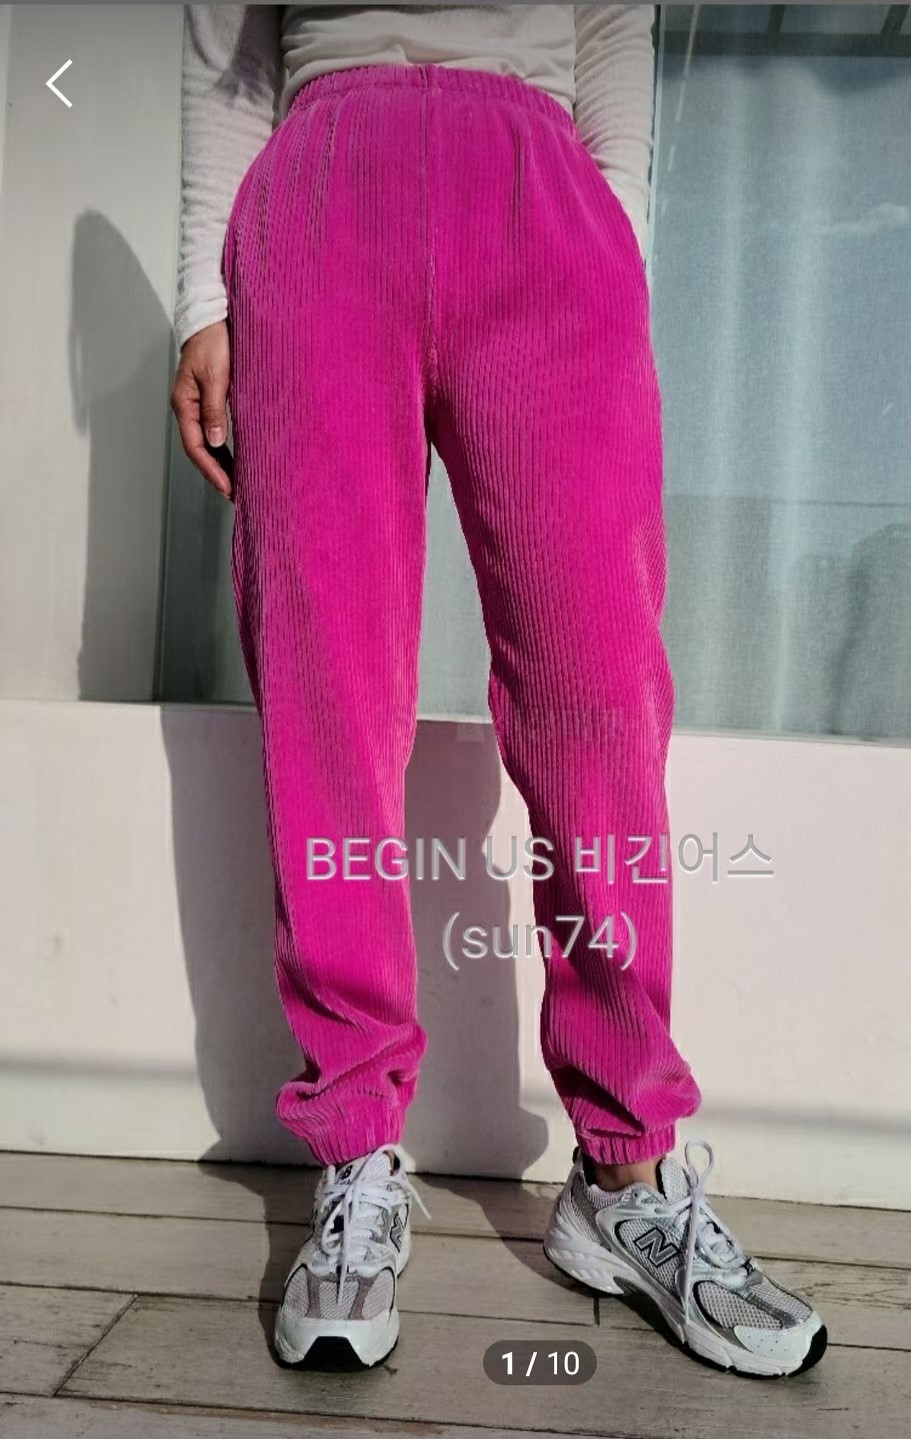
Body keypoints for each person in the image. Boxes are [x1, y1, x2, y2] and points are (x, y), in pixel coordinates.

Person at [170, 2, 827, 1379]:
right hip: (319, 194)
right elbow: (224, 48)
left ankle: (627, 1176)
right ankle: (356, 1156)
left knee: (600, 699)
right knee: (328, 698)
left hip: (547, 198)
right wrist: (201, 299)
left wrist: (611, 240)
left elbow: (613, 30)